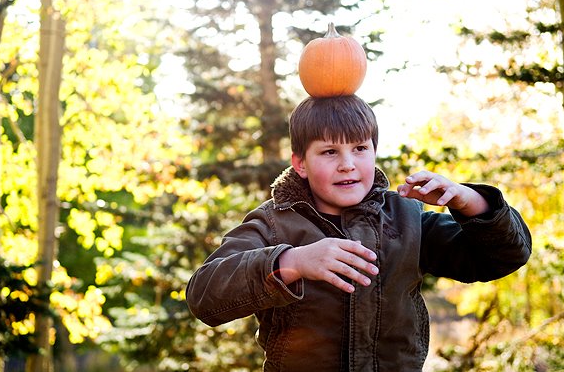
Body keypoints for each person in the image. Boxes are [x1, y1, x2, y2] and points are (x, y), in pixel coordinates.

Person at [186, 95, 532, 372]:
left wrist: (467, 200)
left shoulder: (406, 219)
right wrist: (293, 261)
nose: (347, 163)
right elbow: (204, 297)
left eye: (360, 148)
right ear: (300, 163)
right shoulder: (273, 223)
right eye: (329, 151)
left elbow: (504, 257)